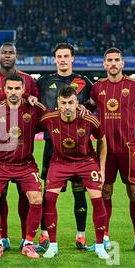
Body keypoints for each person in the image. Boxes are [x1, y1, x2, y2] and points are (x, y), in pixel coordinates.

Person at [87, 47, 135, 254]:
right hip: (105, 150)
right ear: (104, 64)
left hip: (132, 149)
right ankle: (105, 239)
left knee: (134, 191)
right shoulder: (97, 87)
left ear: (122, 63)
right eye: (109, 60)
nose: (112, 63)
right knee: (105, 192)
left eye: (116, 60)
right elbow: (88, 107)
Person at [0, 42, 40, 250]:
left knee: (26, 195)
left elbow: (37, 107)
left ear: (16, 55)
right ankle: (1, 237)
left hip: (23, 154)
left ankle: (24, 236)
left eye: (11, 52)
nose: (7, 55)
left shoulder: (29, 80)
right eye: (4, 52)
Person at [38, 86, 110, 260]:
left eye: (71, 102)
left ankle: (100, 245)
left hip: (86, 162)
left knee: (97, 199)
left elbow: (102, 140)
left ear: (77, 103)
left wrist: (101, 167)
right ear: (58, 104)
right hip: (60, 162)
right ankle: (53, 245)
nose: (67, 106)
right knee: (49, 199)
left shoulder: (89, 119)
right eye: (63, 103)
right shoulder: (49, 118)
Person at [35, 43, 94, 251]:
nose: (62, 59)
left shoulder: (84, 82)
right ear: (55, 60)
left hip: (79, 148)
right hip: (52, 146)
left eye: (66, 56)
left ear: (72, 58)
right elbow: (32, 103)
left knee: (80, 193)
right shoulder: (43, 83)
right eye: (58, 56)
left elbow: (95, 105)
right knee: (48, 195)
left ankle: (81, 237)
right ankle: (44, 236)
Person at [0, 74, 45, 259]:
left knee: (36, 199)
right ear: (4, 89)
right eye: (9, 88)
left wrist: (30, 98)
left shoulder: (33, 109)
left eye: (17, 89)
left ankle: (28, 244)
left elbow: (53, 115)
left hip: (25, 164)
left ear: (23, 89)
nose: (13, 92)